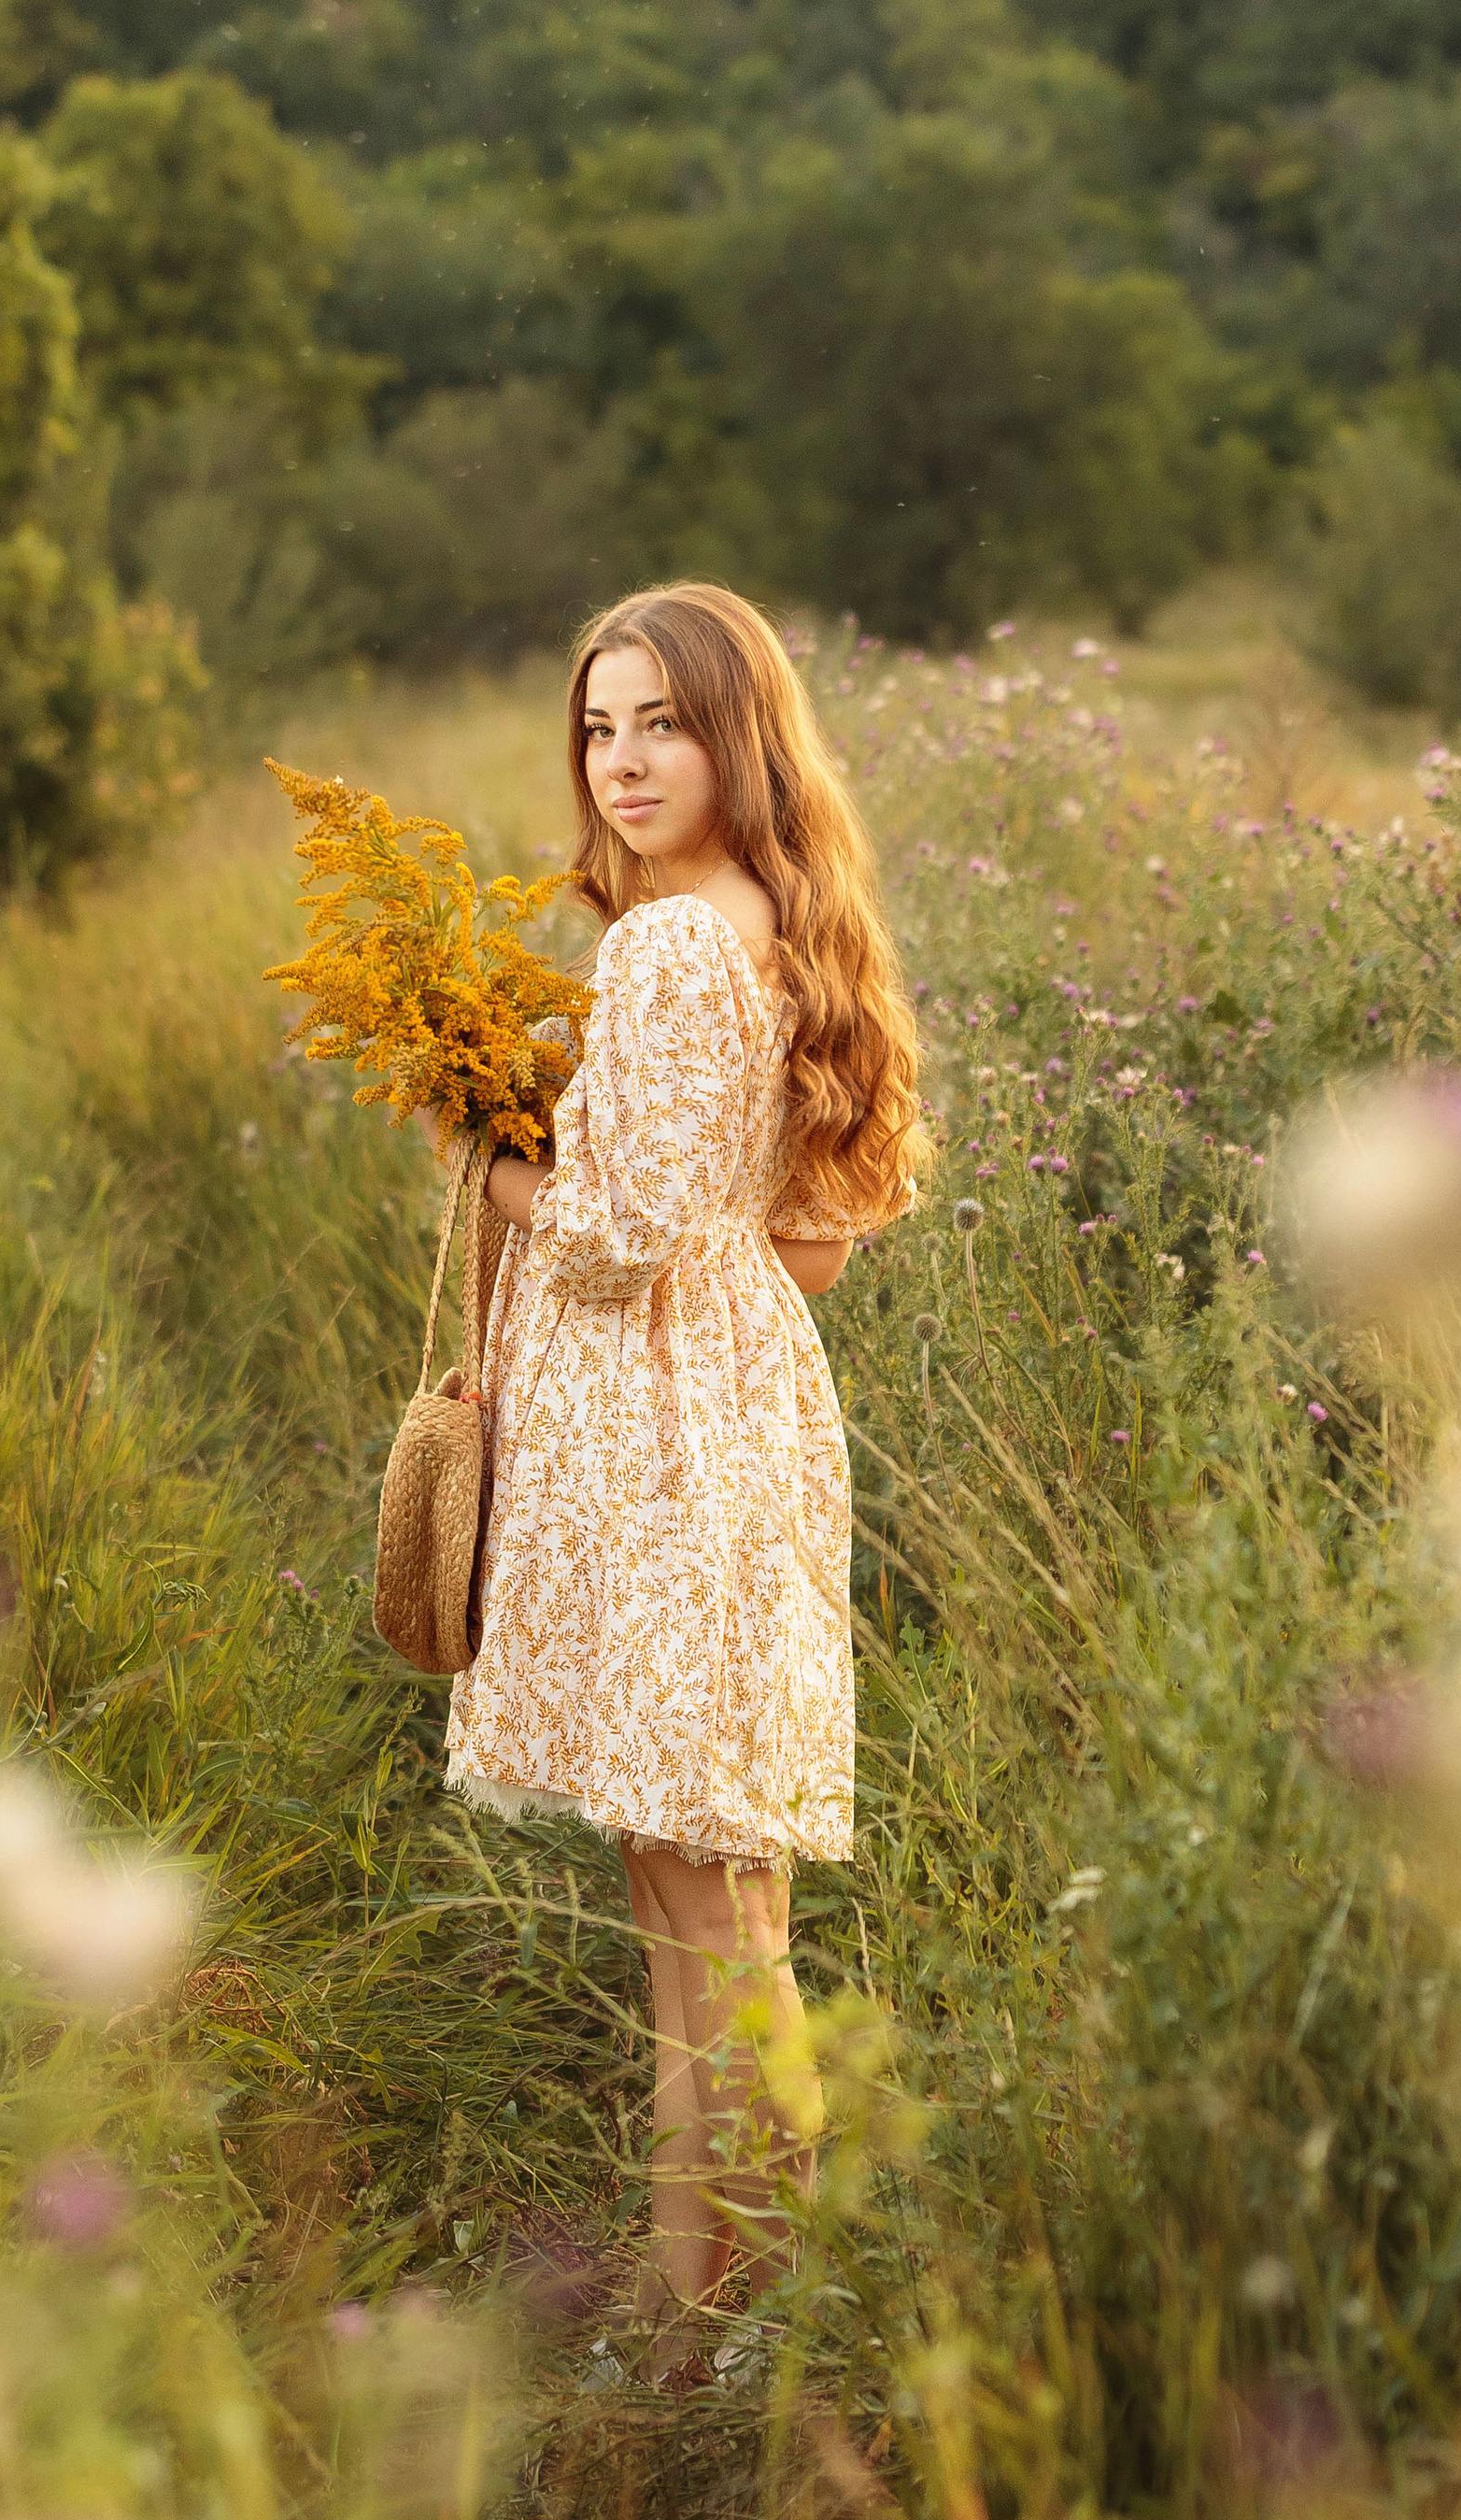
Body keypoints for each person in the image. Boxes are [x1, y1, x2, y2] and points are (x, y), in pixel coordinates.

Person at [441, 580, 922, 2377]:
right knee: (716, 1913)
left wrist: (477, 1153)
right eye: (599, 726)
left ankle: (785, 2309)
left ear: (740, 735)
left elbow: (613, 1238)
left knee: (708, 1927)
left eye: (664, 724)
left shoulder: (663, 949)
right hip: (750, 1422)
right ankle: (692, 2300)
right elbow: (805, 1252)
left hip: (654, 1455)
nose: (625, 761)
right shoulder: (782, 928)